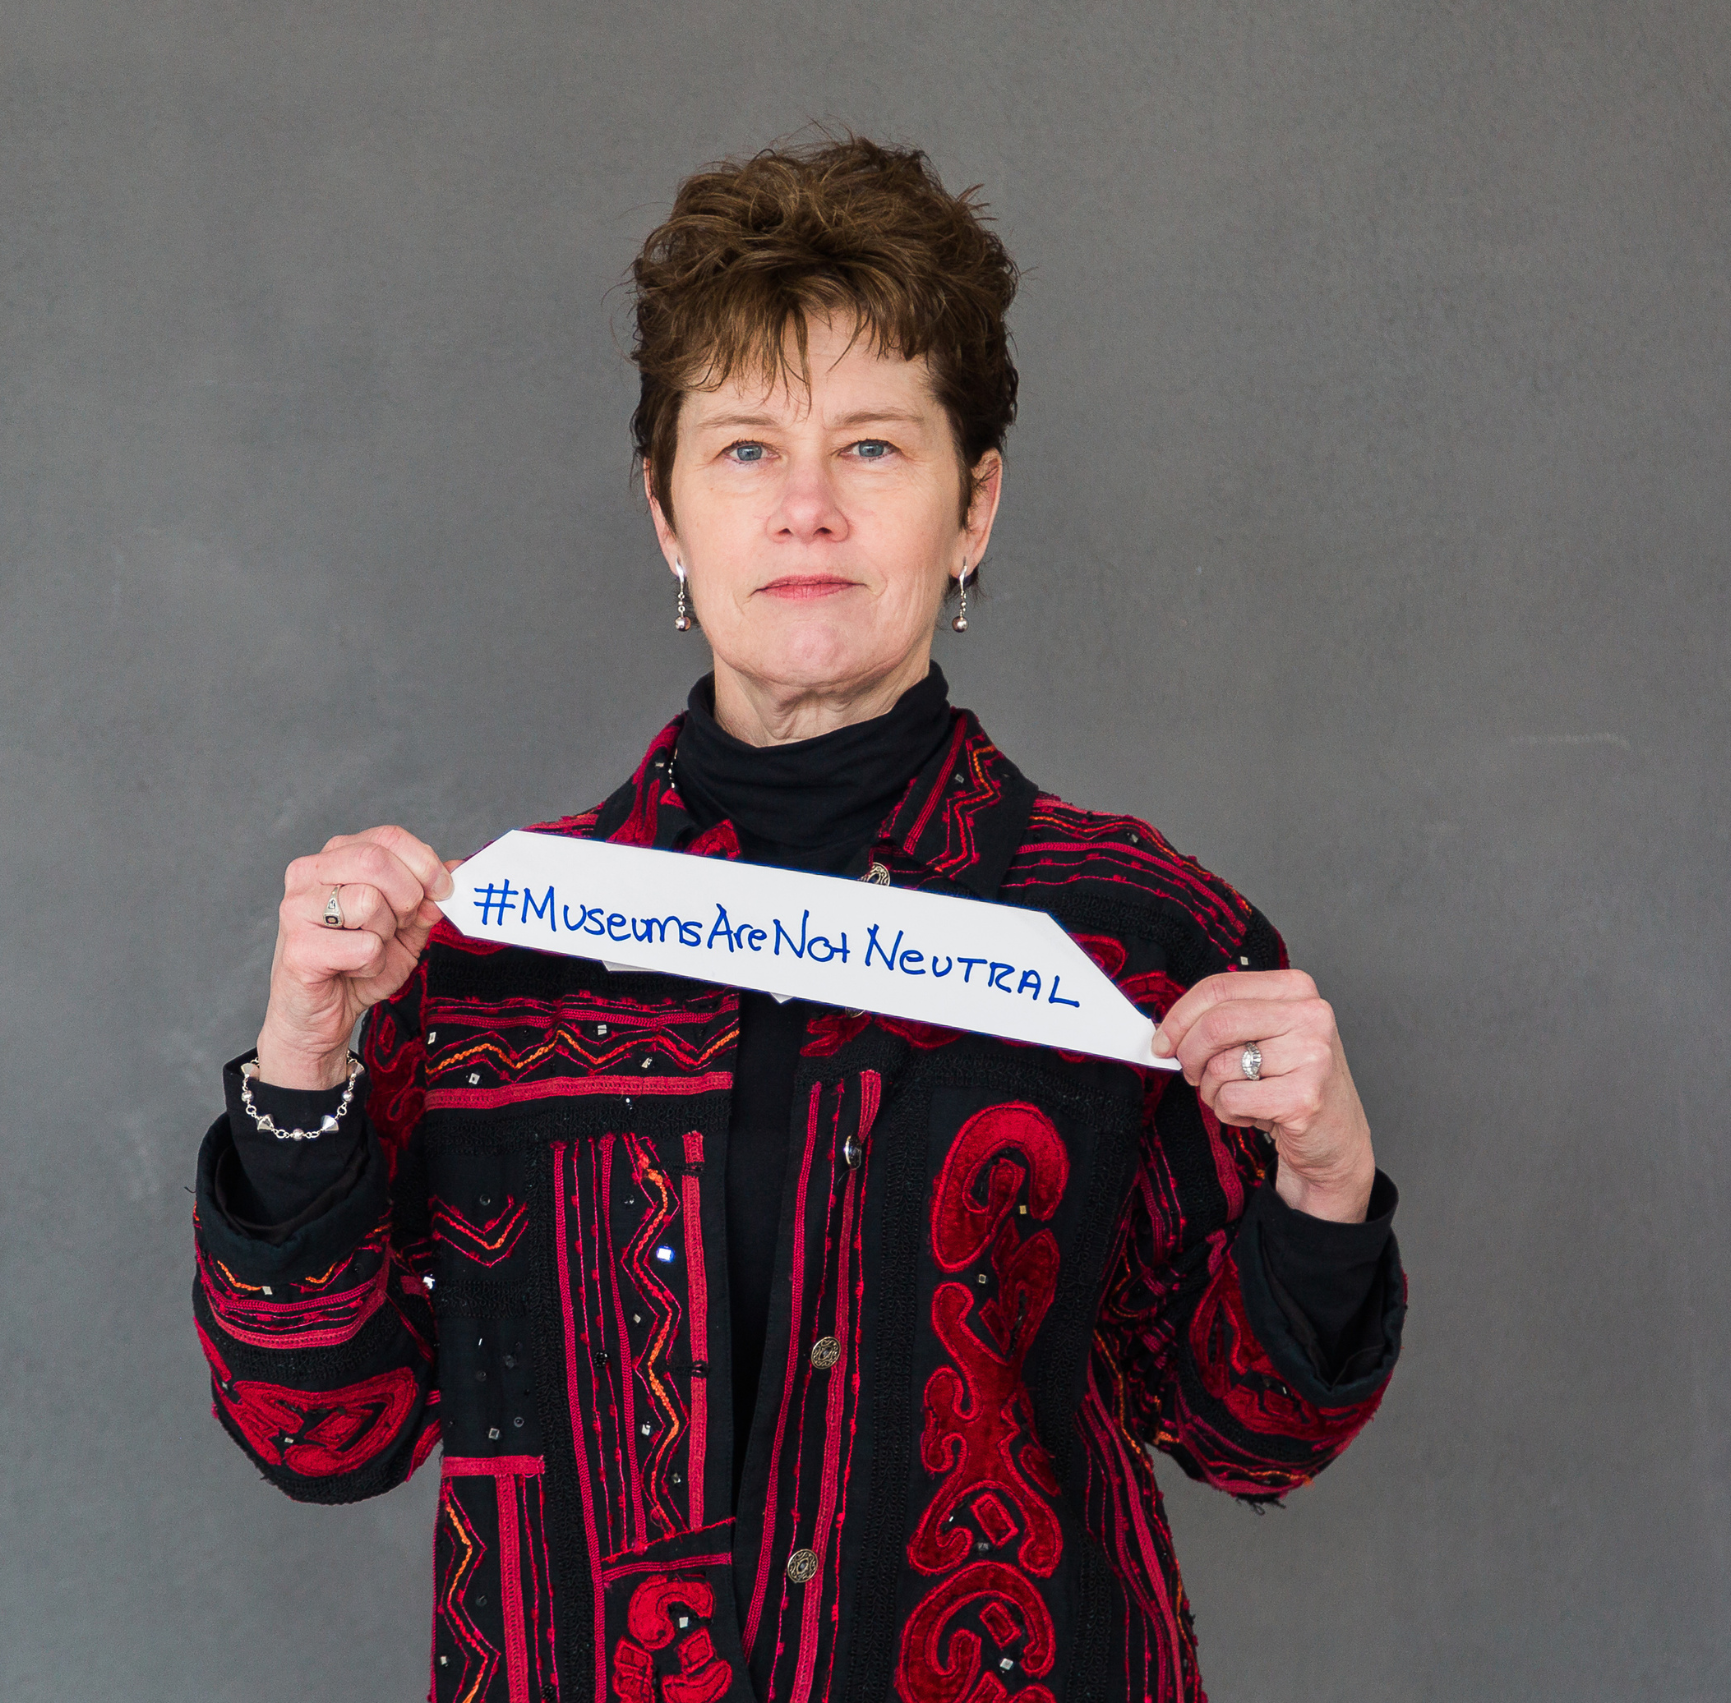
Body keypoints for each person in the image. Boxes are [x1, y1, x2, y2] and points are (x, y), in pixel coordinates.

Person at [190, 136, 1404, 1703]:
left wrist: (1328, 1177)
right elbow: (324, 1428)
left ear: (974, 508)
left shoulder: (1140, 936)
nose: (809, 510)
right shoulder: (492, 950)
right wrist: (303, 1072)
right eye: (748, 449)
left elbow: (1257, 1435)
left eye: (877, 449)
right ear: (667, 515)